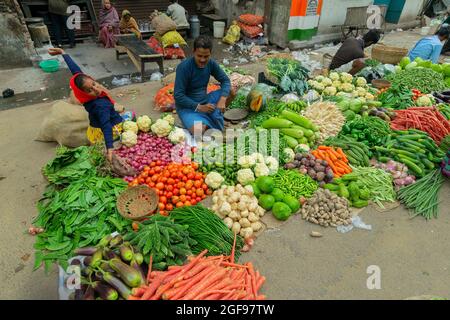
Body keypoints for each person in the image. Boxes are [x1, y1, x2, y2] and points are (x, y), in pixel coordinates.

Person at [48, 47, 133, 162]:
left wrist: (64, 53)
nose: (96, 89)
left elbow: (76, 72)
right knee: (131, 116)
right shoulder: (100, 105)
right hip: (108, 132)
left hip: (94, 130)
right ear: (83, 93)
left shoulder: (88, 99)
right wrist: (110, 148)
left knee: (116, 113)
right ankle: (112, 141)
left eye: (94, 84)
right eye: (90, 90)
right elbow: (106, 125)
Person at [174, 36, 232, 135]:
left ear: (210, 54)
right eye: (199, 56)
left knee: (231, 92)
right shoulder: (184, 67)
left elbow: (226, 81)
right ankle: (204, 121)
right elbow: (178, 96)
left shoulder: (211, 63)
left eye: (206, 56)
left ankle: (215, 116)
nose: (202, 60)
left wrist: (222, 99)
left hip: (206, 101)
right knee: (198, 131)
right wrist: (199, 107)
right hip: (188, 108)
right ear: (193, 52)